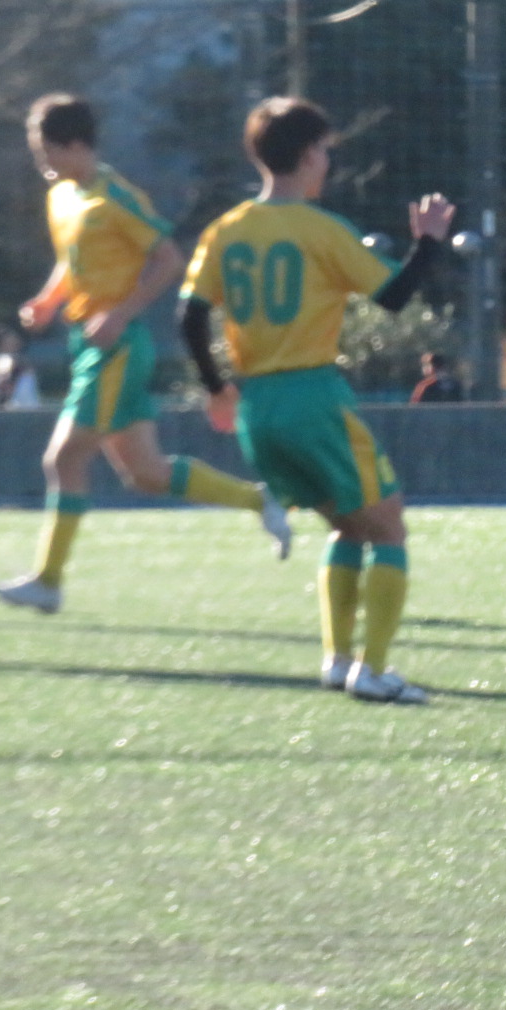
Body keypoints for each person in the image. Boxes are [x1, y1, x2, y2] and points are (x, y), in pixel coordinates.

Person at [180, 97, 453, 704]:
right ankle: (374, 671)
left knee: (348, 528)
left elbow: (190, 316)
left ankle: (337, 660)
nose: (328, 161)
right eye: (326, 150)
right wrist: (428, 243)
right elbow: (393, 296)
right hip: (313, 398)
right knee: (389, 528)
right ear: (308, 155)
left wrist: (217, 388)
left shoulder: (226, 229)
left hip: (258, 408)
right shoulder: (319, 229)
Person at [0, 95, 290, 616]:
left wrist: (120, 314)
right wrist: (47, 301)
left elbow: (168, 258)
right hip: (89, 344)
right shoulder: (61, 196)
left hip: (118, 349)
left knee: (63, 458)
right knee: (146, 473)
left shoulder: (117, 197)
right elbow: (71, 262)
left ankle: (48, 581)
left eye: (47, 151)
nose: (42, 162)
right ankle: (257, 499)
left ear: (77, 145)